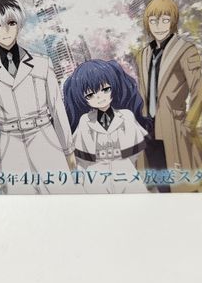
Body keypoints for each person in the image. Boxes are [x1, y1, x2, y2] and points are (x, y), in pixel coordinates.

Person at [0, 0, 82, 194]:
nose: (5, 31)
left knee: (63, 194)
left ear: (19, 24)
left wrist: (68, 150)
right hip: (9, 143)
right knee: (21, 201)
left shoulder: (42, 63)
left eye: (10, 23)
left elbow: (57, 108)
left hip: (44, 136)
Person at [135, 0, 202, 192]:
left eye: (165, 20)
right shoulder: (143, 54)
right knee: (160, 185)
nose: (159, 26)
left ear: (173, 21)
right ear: (147, 23)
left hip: (174, 126)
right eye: (153, 20)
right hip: (149, 130)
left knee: (182, 187)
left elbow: (200, 90)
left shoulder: (185, 50)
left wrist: (188, 125)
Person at [63, 60, 150, 194]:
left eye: (105, 89)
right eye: (90, 95)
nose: (99, 97)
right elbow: (82, 159)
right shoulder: (85, 120)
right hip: (96, 172)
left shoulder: (126, 116)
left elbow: (137, 153)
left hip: (124, 169)